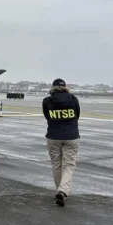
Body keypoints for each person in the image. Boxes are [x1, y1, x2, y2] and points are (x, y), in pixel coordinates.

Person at [42, 78, 81, 206]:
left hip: (53, 136)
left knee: (56, 165)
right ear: (66, 87)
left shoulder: (47, 101)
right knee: (69, 165)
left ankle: (60, 190)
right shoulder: (73, 99)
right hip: (71, 136)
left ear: (52, 88)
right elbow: (77, 115)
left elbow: (47, 116)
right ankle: (63, 190)